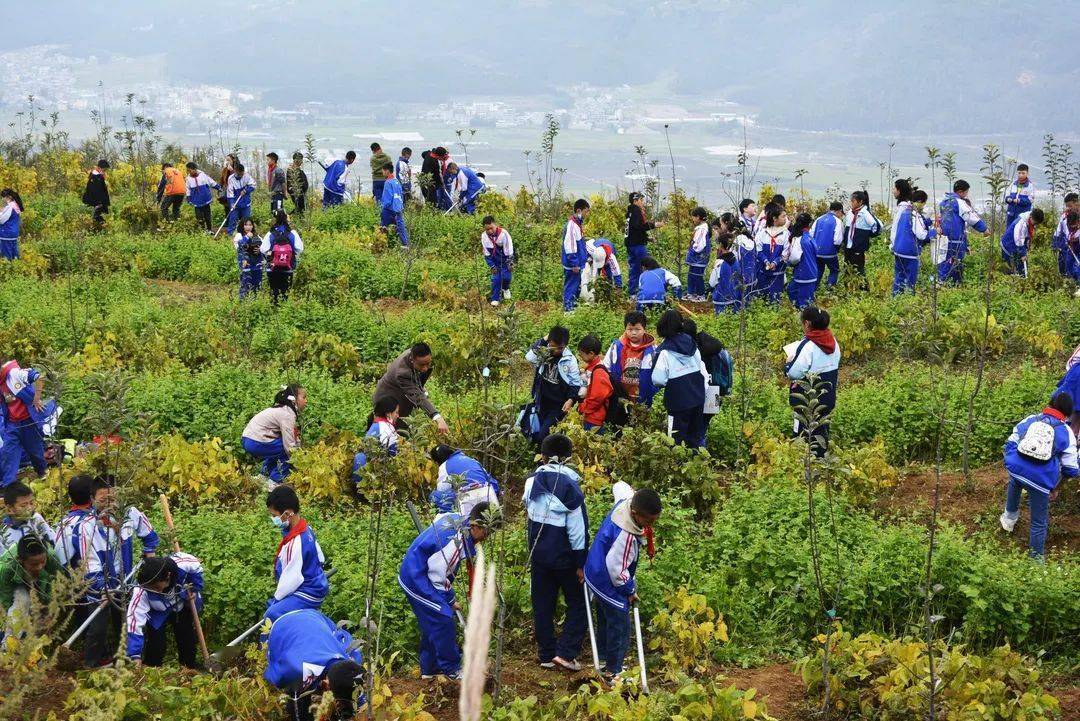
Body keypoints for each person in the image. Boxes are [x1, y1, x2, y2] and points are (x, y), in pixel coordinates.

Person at [398, 502, 498, 681]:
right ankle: (452, 668)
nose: (488, 537)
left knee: (432, 621)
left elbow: (441, 517)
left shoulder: (458, 521)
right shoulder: (453, 544)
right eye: (487, 531)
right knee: (443, 618)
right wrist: (450, 601)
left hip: (424, 573)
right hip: (417, 578)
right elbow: (437, 577)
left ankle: (430, 669)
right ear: (474, 526)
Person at [521, 433, 587, 671]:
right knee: (578, 602)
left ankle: (546, 655)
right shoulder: (571, 487)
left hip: (538, 555)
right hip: (565, 558)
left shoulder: (531, 482)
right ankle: (567, 653)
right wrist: (581, 562)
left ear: (544, 456)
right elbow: (577, 532)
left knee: (542, 604)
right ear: (569, 457)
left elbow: (529, 515)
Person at [78, 475, 159, 668]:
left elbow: (150, 536)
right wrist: (102, 588)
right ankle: (91, 666)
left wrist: (150, 555)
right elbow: (89, 563)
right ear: (92, 499)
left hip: (126, 582)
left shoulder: (130, 514)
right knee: (97, 627)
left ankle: (128, 663)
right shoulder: (86, 526)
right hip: (99, 586)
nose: (109, 503)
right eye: (103, 499)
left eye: (113, 498)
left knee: (126, 623)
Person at [583, 483, 661, 683]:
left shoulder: (625, 502)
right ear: (635, 513)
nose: (651, 524)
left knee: (605, 619)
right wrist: (629, 590)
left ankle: (602, 659)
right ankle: (613, 671)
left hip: (595, 571)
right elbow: (616, 569)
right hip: (607, 580)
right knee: (620, 624)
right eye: (649, 520)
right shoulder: (625, 534)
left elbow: (619, 486)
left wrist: (634, 490)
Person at [1000, 392, 1078, 559]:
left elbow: (1011, 440)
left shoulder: (1031, 419)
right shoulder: (1066, 432)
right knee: (1038, 522)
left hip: (1015, 469)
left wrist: (1013, 460)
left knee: (1015, 481)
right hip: (1040, 480)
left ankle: (1009, 520)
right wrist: (1056, 486)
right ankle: (1035, 561)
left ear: (1050, 403)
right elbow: (1071, 468)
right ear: (1068, 412)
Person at [264, 608, 365, 721]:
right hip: (283, 626)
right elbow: (275, 678)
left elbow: (358, 699)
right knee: (298, 698)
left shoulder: (352, 657)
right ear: (327, 683)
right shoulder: (297, 671)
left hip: (317, 619)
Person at [125, 552, 204, 668]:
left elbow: (195, 566)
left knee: (186, 637)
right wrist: (134, 655)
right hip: (157, 610)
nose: (156, 591)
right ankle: (153, 668)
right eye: (151, 589)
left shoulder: (182, 565)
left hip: (179, 603)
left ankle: (189, 667)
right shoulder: (141, 591)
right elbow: (134, 621)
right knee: (156, 642)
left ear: (168, 576)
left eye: (157, 587)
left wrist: (195, 587)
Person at [265, 485, 329, 622]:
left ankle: (267, 643)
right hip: (318, 583)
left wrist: (276, 601)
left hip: (308, 592)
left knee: (271, 614)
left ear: (287, 513)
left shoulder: (295, 543)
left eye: (274, 515)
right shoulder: (306, 529)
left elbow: (290, 581)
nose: (273, 519)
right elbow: (321, 558)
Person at [785, 306, 841, 457]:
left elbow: (793, 372)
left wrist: (789, 362)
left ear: (807, 324)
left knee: (802, 433)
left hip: (807, 400)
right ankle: (820, 461)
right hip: (827, 397)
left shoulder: (808, 346)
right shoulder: (833, 342)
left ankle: (804, 466)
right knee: (821, 430)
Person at [651, 310, 706, 447]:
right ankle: (696, 463)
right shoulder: (692, 343)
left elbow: (658, 379)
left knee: (676, 439)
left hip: (678, 402)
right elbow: (700, 365)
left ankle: (677, 465)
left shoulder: (664, 351)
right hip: (697, 396)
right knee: (695, 435)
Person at [0, 359, 58, 488]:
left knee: (36, 453)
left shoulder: (14, 373)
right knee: (8, 453)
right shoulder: (0, 381)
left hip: (28, 422)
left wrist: (37, 399)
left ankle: (44, 476)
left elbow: (40, 378)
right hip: (11, 424)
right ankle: (8, 487)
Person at [373, 343, 450, 434]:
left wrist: (421, 389)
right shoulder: (402, 372)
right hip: (387, 399)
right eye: (421, 365)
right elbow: (417, 396)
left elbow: (417, 384)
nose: (425, 368)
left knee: (404, 429)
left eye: (428, 364)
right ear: (412, 360)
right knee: (393, 433)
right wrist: (437, 417)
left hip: (399, 396)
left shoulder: (415, 353)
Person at [524, 327, 584, 444]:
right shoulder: (544, 353)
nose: (556, 350)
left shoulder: (570, 360)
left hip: (557, 405)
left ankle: (545, 459)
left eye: (560, 348)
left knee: (544, 435)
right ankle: (540, 459)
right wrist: (544, 339)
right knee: (535, 432)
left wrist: (571, 399)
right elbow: (529, 357)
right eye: (553, 346)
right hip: (541, 401)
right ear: (549, 342)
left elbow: (575, 383)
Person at [242, 385, 305, 486]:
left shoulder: (281, 410)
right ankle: (275, 482)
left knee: (276, 449)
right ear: (294, 400)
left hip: (247, 439)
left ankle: (263, 476)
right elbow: (289, 445)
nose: (306, 401)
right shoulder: (287, 414)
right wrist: (298, 463)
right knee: (287, 449)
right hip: (255, 441)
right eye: (304, 397)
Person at [0, 536, 61, 635]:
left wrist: (50, 612)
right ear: (21, 560)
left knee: (44, 618)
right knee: (21, 604)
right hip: (17, 583)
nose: (40, 566)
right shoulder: (7, 568)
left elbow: (59, 584)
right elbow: (5, 600)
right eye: (34, 564)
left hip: (43, 583)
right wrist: (7, 621)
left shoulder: (51, 557)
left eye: (43, 562)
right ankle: (10, 643)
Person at [936, 179, 987, 285]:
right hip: (955, 239)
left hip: (944, 239)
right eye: (966, 192)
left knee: (945, 261)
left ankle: (950, 284)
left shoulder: (943, 202)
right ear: (960, 192)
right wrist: (984, 229)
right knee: (953, 262)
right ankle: (945, 284)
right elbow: (971, 217)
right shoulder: (959, 202)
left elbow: (939, 219)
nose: (966, 195)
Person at [889, 180, 935, 295]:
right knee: (910, 280)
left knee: (899, 278)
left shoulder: (903, 209)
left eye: (894, 188)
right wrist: (935, 232)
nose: (893, 191)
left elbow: (895, 229)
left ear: (900, 191)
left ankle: (895, 300)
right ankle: (908, 302)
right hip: (909, 252)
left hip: (898, 250)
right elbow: (921, 234)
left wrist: (893, 245)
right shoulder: (911, 211)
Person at [428, 445, 501, 517]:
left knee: (434, 496)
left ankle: (453, 517)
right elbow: (490, 480)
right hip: (489, 494)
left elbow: (442, 489)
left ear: (437, 462)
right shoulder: (469, 459)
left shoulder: (444, 466)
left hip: (469, 499)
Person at [603, 311, 656, 408]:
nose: (634, 333)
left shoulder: (652, 350)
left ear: (644, 329)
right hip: (620, 398)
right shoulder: (616, 346)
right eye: (630, 329)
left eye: (637, 329)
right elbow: (606, 369)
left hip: (645, 400)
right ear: (625, 329)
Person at [350, 395, 400, 489]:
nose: (398, 415)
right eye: (396, 412)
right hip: (375, 477)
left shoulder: (376, 424)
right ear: (388, 413)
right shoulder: (385, 428)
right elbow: (395, 454)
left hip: (364, 477)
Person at [260, 209, 305, 303]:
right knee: (285, 291)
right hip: (288, 267)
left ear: (275, 219)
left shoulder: (270, 233)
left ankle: (273, 309)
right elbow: (299, 249)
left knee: (274, 291)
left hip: (272, 268)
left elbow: (263, 249)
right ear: (286, 218)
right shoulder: (292, 233)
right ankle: (284, 310)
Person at [624, 192, 663, 296]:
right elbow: (640, 226)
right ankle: (640, 291)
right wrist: (654, 224)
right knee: (642, 268)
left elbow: (633, 230)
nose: (642, 203)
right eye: (641, 200)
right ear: (635, 201)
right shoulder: (636, 211)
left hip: (630, 244)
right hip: (638, 246)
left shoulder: (629, 213)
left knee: (634, 268)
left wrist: (647, 238)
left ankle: (632, 292)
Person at [0, 482, 54, 554]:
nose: (29, 508)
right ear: (10, 509)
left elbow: (52, 539)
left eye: (31, 503)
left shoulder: (36, 518)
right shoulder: (3, 532)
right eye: (23, 506)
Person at [54, 474, 94, 569]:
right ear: (93, 495)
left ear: (70, 496)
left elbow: (60, 559)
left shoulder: (65, 524)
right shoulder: (101, 517)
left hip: (78, 578)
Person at [843, 190, 881, 287]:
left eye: (853, 201)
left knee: (859, 270)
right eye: (851, 201)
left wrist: (867, 235)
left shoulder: (865, 214)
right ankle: (848, 290)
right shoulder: (850, 213)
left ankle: (864, 290)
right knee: (847, 269)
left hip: (858, 247)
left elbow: (876, 226)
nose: (851, 203)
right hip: (848, 247)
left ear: (860, 202)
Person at [755, 203, 790, 303]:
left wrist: (775, 262)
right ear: (775, 218)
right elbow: (758, 250)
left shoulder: (785, 233)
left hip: (777, 273)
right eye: (783, 216)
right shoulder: (763, 232)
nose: (785, 219)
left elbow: (786, 252)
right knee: (762, 297)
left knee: (775, 298)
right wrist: (766, 261)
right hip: (763, 272)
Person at [578, 335, 614, 431]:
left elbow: (597, 398)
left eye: (581, 354)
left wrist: (582, 408)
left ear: (591, 353)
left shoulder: (599, 372)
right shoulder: (591, 367)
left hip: (595, 419)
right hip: (591, 415)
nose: (580, 356)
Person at [784, 212, 818, 308]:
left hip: (802, 273)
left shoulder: (799, 238)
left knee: (803, 301)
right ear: (809, 224)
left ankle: (802, 315)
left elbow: (794, 258)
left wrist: (788, 262)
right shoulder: (810, 237)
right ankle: (800, 311)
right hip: (812, 272)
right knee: (794, 291)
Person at [1000, 208, 1045, 278]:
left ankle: (1021, 279)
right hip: (1008, 245)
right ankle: (1015, 281)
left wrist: (1026, 246)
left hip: (1016, 245)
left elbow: (1026, 236)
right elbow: (1019, 240)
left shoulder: (1030, 218)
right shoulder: (1021, 223)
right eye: (1035, 223)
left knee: (1021, 265)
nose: (1036, 225)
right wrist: (1023, 254)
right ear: (1031, 217)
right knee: (1009, 268)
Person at [562, 200, 590, 312]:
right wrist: (574, 263)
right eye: (586, 211)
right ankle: (568, 310)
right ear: (579, 210)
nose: (587, 214)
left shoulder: (577, 224)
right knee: (571, 286)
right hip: (573, 264)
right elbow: (570, 246)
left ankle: (572, 307)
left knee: (576, 285)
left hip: (578, 263)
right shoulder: (572, 225)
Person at [481, 215, 514, 306]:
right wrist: (492, 265)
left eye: (491, 228)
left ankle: (505, 289)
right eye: (487, 229)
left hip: (505, 259)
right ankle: (495, 299)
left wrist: (510, 262)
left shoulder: (504, 234)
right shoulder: (484, 236)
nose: (490, 231)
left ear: (495, 225)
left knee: (507, 277)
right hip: (494, 259)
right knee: (496, 279)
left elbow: (509, 249)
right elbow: (486, 252)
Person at [810, 201, 844, 288]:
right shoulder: (837, 221)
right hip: (829, 252)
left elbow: (811, 234)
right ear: (839, 211)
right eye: (841, 213)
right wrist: (836, 249)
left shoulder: (819, 219)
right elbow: (837, 240)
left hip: (817, 251)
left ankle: (814, 289)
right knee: (834, 270)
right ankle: (830, 287)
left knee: (819, 270)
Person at [378, 162, 409, 247]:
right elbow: (400, 195)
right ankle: (405, 244)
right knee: (400, 227)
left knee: (383, 227)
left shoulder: (388, 182)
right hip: (398, 208)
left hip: (389, 209)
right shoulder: (396, 181)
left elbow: (387, 198)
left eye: (383, 171)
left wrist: (383, 206)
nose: (382, 173)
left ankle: (381, 244)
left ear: (387, 171)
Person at [685, 207, 712, 301]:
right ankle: (691, 293)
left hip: (699, 257)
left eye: (693, 217)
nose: (692, 219)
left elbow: (700, 244)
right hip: (697, 258)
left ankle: (701, 295)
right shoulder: (701, 228)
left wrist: (693, 250)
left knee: (697, 275)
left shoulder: (702, 229)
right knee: (691, 274)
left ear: (698, 217)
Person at [184, 163, 220, 233]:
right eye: (188, 171)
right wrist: (188, 197)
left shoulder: (203, 175)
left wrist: (218, 187)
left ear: (194, 169)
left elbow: (211, 181)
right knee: (199, 217)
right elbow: (188, 189)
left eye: (190, 170)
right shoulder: (188, 179)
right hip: (196, 201)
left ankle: (209, 230)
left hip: (205, 199)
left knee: (207, 215)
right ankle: (203, 231)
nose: (189, 172)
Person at [710, 230, 740, 314]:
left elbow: (712, 282)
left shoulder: (719, 262)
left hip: (721, 297)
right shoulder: (735, 259)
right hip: (733, 296)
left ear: (721, 245)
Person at [233, 218, 264, 299]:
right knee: (245, 285)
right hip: (246, 265)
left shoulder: (257, 236)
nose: (248, 227)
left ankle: (255, 303)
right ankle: (242, 304)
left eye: (250, 225)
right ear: (242, 226)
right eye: (246, 225)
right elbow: (239, 247)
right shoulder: (239, 235)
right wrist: (247, 237)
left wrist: (259, 250)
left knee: (257, 286)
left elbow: (265, 249)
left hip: (257, 265)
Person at [1052, 193, 1079, 277]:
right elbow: (1058, 230)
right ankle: (1067, 282)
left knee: (1076, 267)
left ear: (1076, 203)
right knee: (1066, 266)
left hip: (1077, 243)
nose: (1068, 208)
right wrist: (1055, 243)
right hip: (1067, 243)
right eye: (1067, 206)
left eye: (1070, 206)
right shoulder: (1065, 215)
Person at [225, 162, 256, 235]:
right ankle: (231, 234)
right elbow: (230, 193)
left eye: (242, 174)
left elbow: (253, 185)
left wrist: (246, 190)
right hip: (235, 204)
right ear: (235, 171)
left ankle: (247, 234)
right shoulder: (231, 178)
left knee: (246, 220)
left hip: (246, 203)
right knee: (233, 219)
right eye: (239, 174)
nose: (241, 175)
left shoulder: (247, 176)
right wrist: (232, 203)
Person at [82, 159, 110, 229]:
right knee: (98, 218)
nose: (105, 172)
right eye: (104, 170)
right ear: (100, 168)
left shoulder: (95, 176)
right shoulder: (96, 177)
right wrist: (98, 203)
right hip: (97, 203)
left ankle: (99, 230)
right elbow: (95, 191)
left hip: (98, 202)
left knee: (98, 218)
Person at [0, 189, 23, 260]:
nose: (2, 199)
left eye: (3, 197)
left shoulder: (9, 206)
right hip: (13, 232)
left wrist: (1, 211)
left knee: (6, 255)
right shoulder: (15, 204)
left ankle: (9, 268)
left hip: (6, 232)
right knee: (14, 253)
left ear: (9, 197)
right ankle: (16, 267)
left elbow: (1, 220)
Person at [287, 152, 309, 217]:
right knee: (300, 209)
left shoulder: (297, 169)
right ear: (296, 160)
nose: (302, 162)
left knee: (300, 209)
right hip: (298, 193)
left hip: (301, 193)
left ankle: (290, 218)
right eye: (301, 160)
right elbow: (290, 183)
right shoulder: (292, 170)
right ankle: (287, 217)